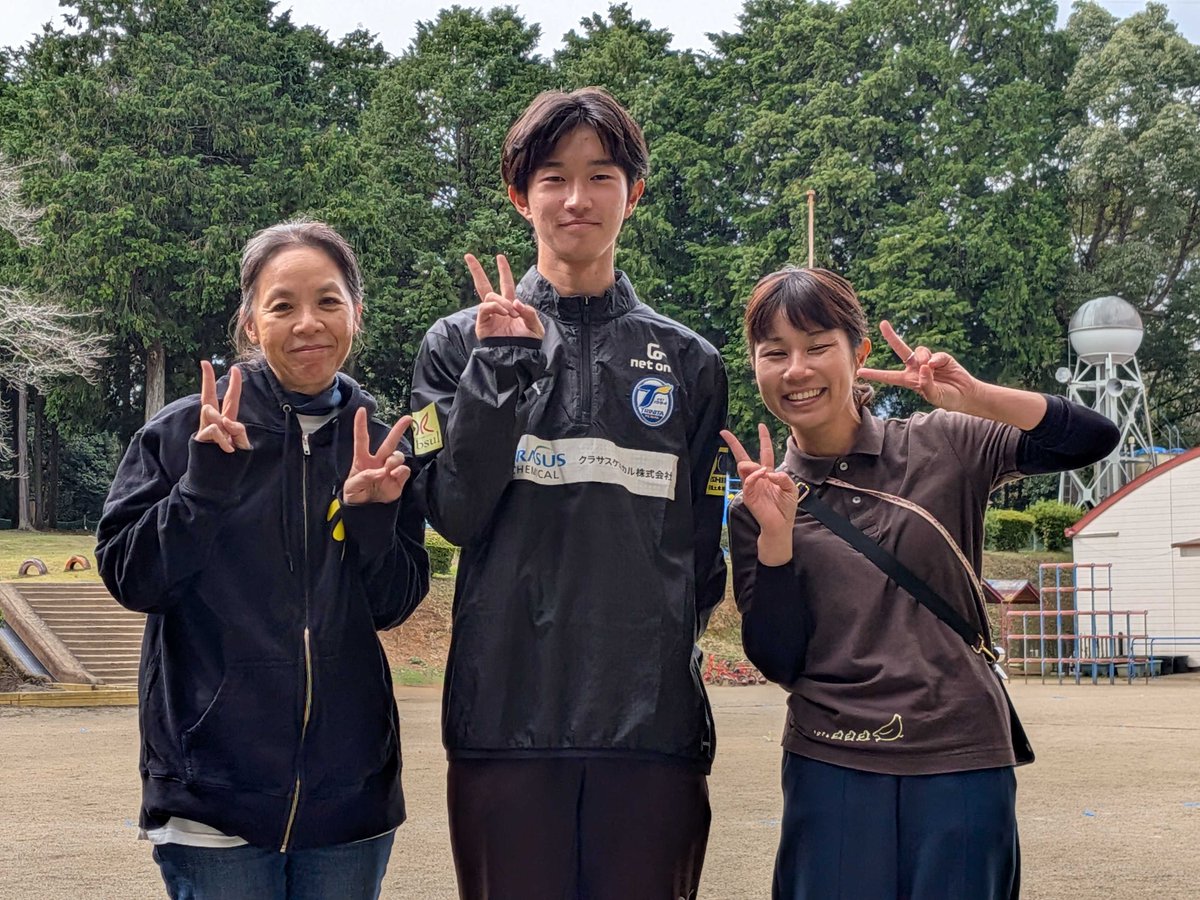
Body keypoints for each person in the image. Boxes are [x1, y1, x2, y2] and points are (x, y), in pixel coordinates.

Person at [410, 87, 729, 899]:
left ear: (635, 193)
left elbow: (699, 553)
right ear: (522, 197)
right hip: (503, 718)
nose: (577, 199)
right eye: (553, 178)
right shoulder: (454, 343)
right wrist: (498, 368)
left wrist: (655, 650)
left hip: (650, 726)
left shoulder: (690, 362)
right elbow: (453, 511)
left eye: (600, 176)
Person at [721, 267, 1119, 900]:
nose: (797, 369)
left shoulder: (945, 444)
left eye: (819, 346)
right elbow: (778, 658)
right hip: (833, 759)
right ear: (756, 366)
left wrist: (976, 396)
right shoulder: (760, 504)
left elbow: (1094, 438)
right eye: (775, 353)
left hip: (961, 754)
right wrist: (774, 541)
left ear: (860, 354)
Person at [96, 220, 430, 899]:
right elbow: (133, 579)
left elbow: (393, 603)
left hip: (350, 798)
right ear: (250, 322)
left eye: (328, 301)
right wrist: (202, 490)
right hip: (213, 795)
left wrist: (372, 520)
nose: (308, 322)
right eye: (283, 305)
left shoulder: (382, 444)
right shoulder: (185, 432)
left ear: (356, 313)